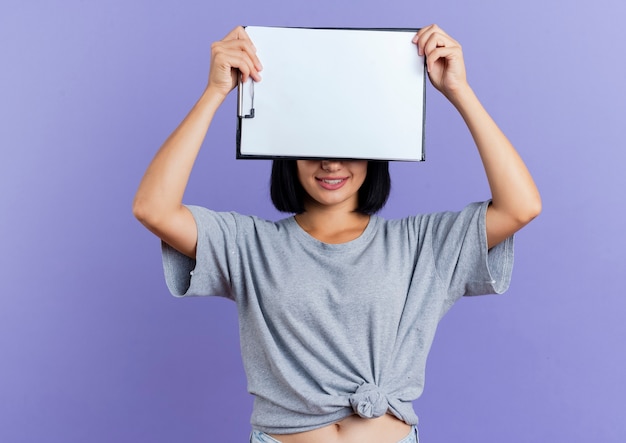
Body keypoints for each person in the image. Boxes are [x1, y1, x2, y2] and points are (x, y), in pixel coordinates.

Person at [133, 24, 541, 443]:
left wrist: (460, 91)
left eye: (347, 144)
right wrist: (215, 92)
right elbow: (153, 208)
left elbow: (521, 206)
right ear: (286, 152)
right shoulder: (248, 244)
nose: (330, 163)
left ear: (376, 150)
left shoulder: (421, 244)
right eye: (314, 145)